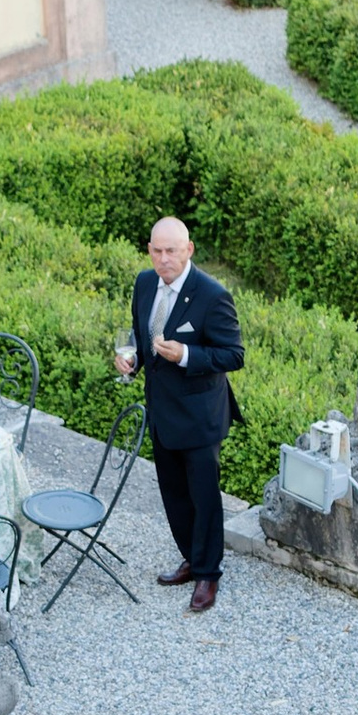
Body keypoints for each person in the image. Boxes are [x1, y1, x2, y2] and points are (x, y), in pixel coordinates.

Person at [118, 213, 243, 615]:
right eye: (157, 250)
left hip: (201, 414)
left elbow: (233, 354)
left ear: (188, 250)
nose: (164, 258)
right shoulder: (142, 283)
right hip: (162, 411)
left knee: (204, 497)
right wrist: (134, 360)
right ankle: (191, 557)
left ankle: (209, 574)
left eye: (172, 250)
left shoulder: (212, 294)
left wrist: (187, 354)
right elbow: (142, 333)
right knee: (173, 494)